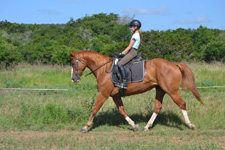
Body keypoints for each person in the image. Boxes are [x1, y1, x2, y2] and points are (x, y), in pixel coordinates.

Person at [118, 19, 143, 89]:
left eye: (131, 27)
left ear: (135, 27)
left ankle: (124, 82)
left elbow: (129, 46)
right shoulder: (137, 34)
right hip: (132, 52)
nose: (130, 28)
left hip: (132, 52)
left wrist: (122, 53)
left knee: (120, 64)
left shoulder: (135, 35)